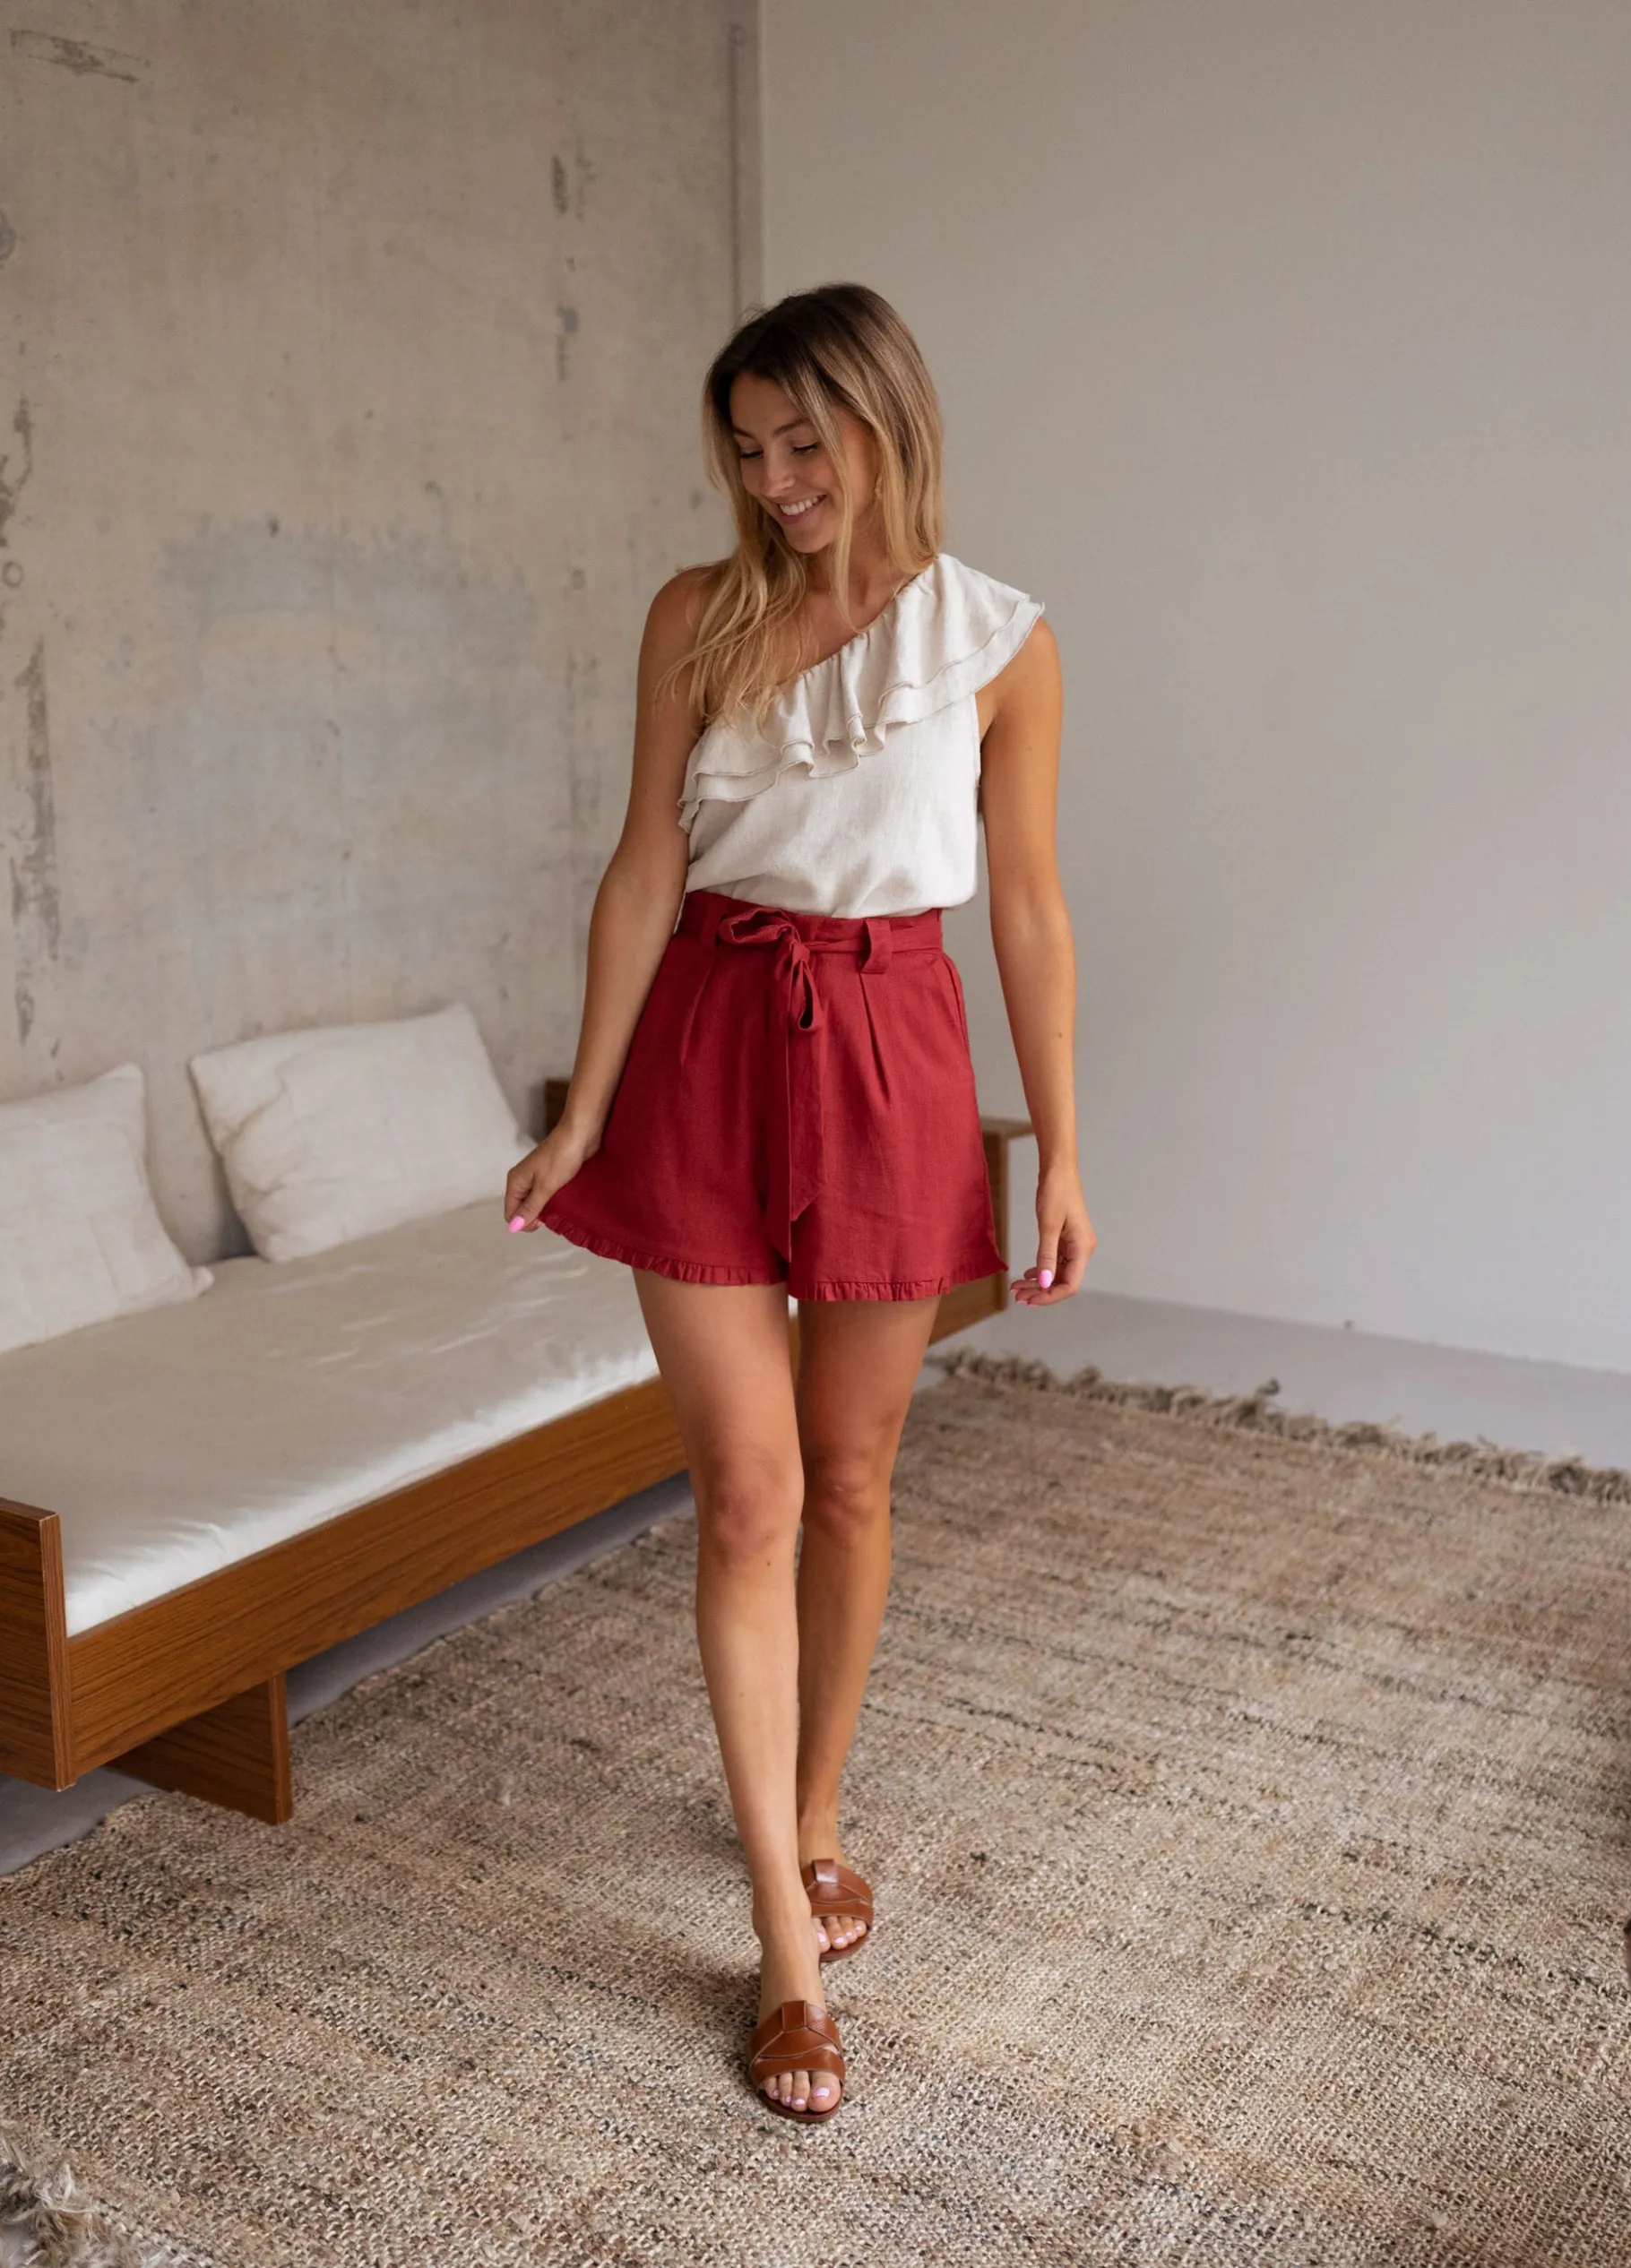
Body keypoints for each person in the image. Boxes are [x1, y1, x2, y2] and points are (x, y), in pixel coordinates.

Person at [504, 281, 1092, 2124]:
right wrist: (581, 1105)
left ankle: (817, 1807)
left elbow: (1026, 907)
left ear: (884, 424)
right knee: (748, 1491)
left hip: (894, 1045)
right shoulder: (698, 615)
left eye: (802, 444)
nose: (773, 481)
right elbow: (643, 867)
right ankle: (781, 1934)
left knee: (850, 1478)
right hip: (705, 1044)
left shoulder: (1001, 643)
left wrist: (1066, 1146)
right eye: (748, 451)